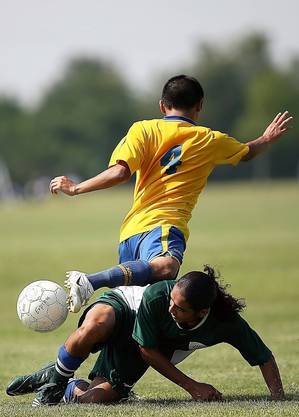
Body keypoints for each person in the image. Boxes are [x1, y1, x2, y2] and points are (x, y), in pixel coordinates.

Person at [49, 75, 293, 314]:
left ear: (162, 106)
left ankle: (70, 354)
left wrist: (77, 188)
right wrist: (267, 138)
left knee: (136, 316)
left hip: (131, 232)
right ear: (200, 106)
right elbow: (246, 152)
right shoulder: (209, 139)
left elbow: (121, 173)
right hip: (165, 225)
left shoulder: (142, 129)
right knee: (166, 267)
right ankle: (90, 281)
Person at [7, 267, 284, 405]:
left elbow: (263, 356)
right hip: (126, 309)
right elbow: (148, 352)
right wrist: (193, 386)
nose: (171, 307)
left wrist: (277, 397)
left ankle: (67, 387)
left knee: (96, 400)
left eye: (180, 307)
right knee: (96, 324)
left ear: (201, 312)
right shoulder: (156, 296)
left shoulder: (225, 323)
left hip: (141, 343)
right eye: (171, 300)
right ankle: (54, 381)